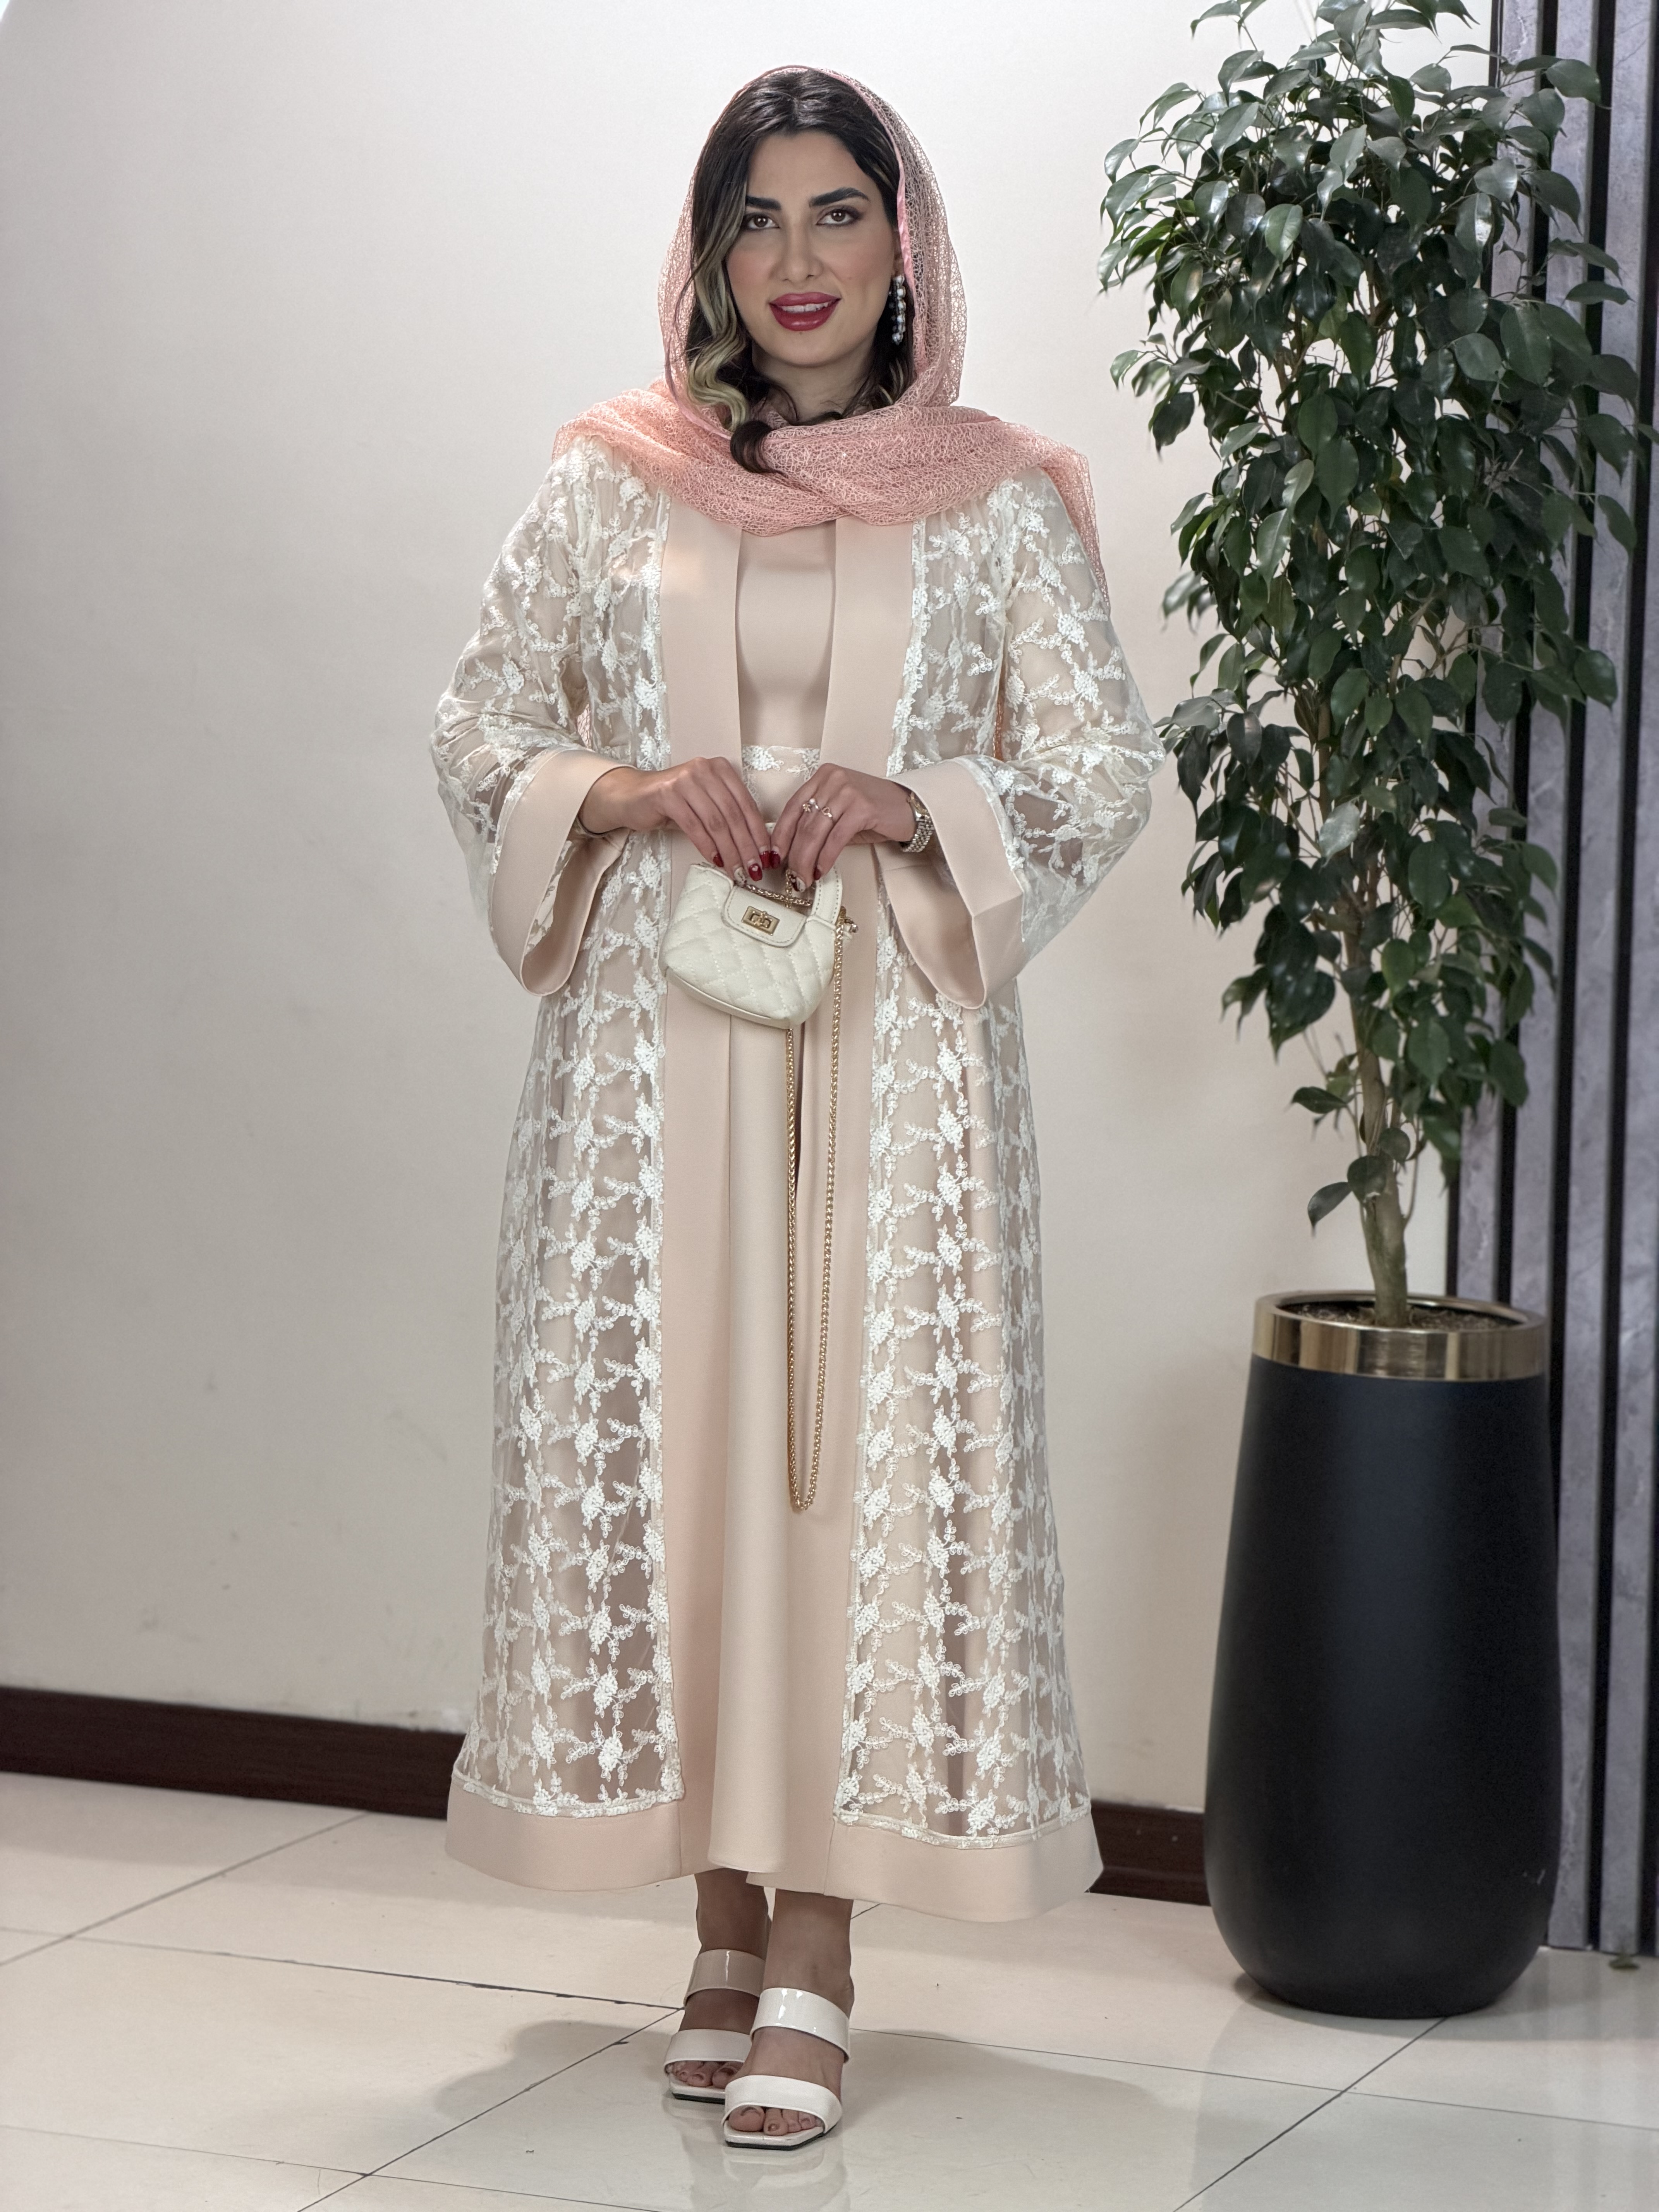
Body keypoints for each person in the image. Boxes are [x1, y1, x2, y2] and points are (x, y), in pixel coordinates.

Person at [432, 64, 1161, 2152]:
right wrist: (631, 789)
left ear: (901, 244)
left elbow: (1099, 763)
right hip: (649, 1062)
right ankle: (722, 1931)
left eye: (840, 212)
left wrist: (912, 801)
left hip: (893, 1061)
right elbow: (478, 724)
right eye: (757, 218)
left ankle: (821, 1954)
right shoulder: (613, 477)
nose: (800, 260)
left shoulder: (995, 497)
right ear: (709, 251)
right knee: (682, 1460)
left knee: (856, 1467)